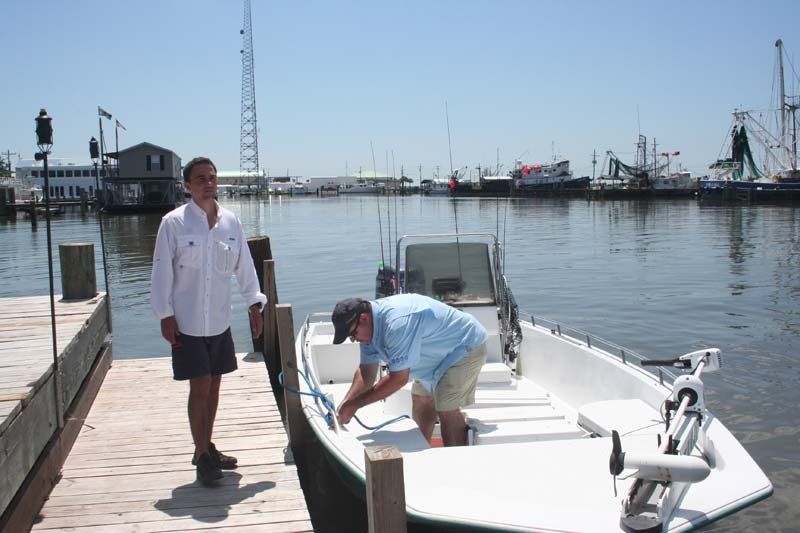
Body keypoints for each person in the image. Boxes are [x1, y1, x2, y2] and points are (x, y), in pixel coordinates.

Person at [150, 156, 266, 486]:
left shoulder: (231, 223)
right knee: (199, 384)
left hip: (219, 320)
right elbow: (161, 270)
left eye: (212, 177)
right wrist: (164, 313)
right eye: (200, 178)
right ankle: (202, 455)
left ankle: (206, 446)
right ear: (187, 185)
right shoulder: (173, 223)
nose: (208, 182)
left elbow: (245, 267)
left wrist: (254, 305)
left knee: (214, 384)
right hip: (186, 321)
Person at [332, 293, 488, 446]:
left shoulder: (396, 323)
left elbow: (398, 379)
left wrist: (356, 405)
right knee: (421, 398)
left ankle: (456, 460)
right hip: (433, 360)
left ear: (364, 318)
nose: (354, 340)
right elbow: (366, 374)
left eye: (353, 334)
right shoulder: (368, 331)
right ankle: (422, 449)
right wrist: (345, 404)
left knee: (445, 403)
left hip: (465, 346)